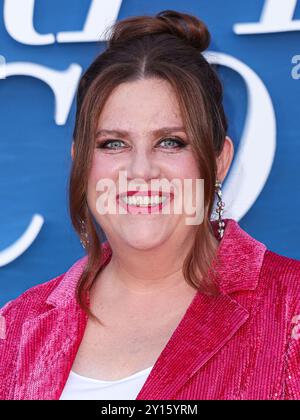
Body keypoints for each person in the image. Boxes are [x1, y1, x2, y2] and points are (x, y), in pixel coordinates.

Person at [1, 10, 300, 401]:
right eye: (114, 143)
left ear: (219, 161)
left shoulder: (289, 307)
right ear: (81, 161)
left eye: (170, 142)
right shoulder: (16, 328)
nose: (140, 172)